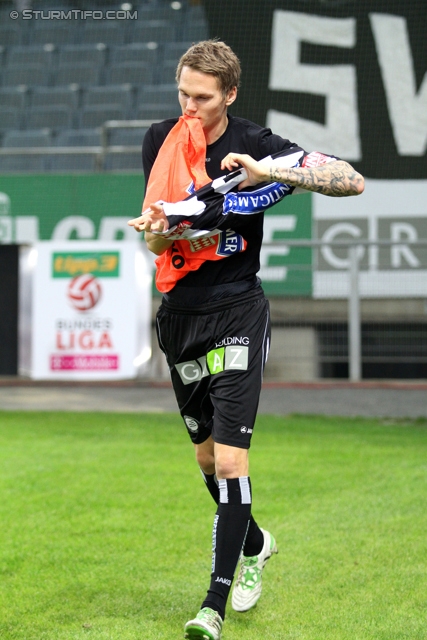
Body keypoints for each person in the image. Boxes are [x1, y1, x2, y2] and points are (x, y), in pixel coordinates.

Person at [128, 40, 364, 640]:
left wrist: (271, 172)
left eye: (202, 98)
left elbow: (349, 179)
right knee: (208, 458)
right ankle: (256, 543)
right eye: (182, 93)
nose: (189, 107)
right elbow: (157, 241)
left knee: (233, 461)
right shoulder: (161, 136)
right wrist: (161, 234)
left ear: (229, 95)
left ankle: (212, 602)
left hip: (237, 308)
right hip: (180, 315)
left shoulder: (257, 143)